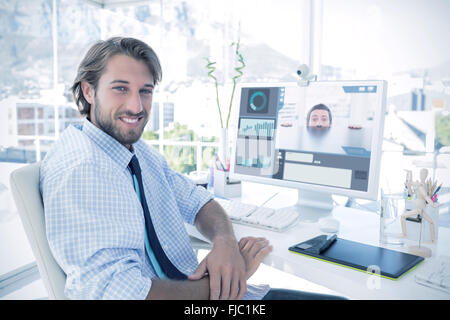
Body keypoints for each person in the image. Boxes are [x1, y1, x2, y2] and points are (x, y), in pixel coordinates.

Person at [40, 37, 345, 300]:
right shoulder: (83, 168)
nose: (137, 106)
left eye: (145, 91)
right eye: (121, 89)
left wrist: (225, 244)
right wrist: (224, 284)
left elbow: (196, 200)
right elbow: (118, 291)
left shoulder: (132, 152)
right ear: (89, 91)